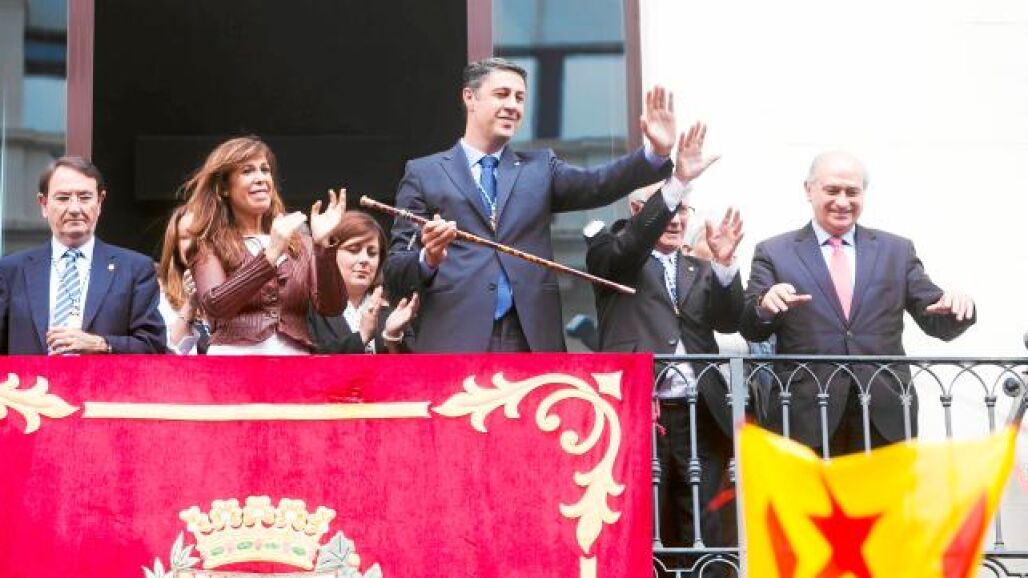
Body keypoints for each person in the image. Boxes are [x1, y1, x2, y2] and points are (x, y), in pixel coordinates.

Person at [385, 57, 676, 352]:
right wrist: (429, 258)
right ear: (469, 97)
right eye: (502, 94)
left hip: (530, 340)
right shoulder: (424, 173)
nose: (513, 105)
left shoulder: (540, 168)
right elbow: (395, 270)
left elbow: (598, 183)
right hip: (454, 340)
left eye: (520, 98)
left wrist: (655, 154)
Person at [739, 151, 976, 456]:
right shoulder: (774, 252)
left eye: (852, 192)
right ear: (809, 190)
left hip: (885, 413)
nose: (842, 202)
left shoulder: (896, 250)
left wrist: (959, 307)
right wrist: (766, 305)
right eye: (832, 190)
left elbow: (935, 317)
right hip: (805, 414)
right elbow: (750, 326)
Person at [585, 124, 744, 550]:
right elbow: (628, 248)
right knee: (645, 526)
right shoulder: (610, 252)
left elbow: (730, 321)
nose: (676, 219)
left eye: (683, 210)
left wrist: (725, 267)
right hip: (640, 408)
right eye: (668, 209)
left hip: (699, 413)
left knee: (704, 528)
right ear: (638, 211)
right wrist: (676, 185)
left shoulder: (699, 268)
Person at [182, 136, 345, 355]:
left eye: (265, 170)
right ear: (224, 188)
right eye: (247, 171)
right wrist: (270, 256)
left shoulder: (300, 242)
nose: (261, 178)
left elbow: (332, 307)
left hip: (294, 363)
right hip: (233, 362)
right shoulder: (208, 245)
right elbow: (215, 306)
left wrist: (323, 247)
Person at [0, 156, 165, 354]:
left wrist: (101, 344)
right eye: (63, 198)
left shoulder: (134, 269)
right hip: (30, 375)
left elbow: (153, 345)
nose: (74, 209)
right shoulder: (11, 271)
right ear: (43, 204)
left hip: (103, 375)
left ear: (100, 202)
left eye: (85, 197)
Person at [308, 211, 418, 354]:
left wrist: (393, 338)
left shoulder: (391, 312)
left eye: (372, 253)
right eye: (353, 250)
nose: (365, 260)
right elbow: (306, 361)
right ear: (331, 253)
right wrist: (361, 337)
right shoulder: (309, 308)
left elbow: (413, 366)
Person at [156, 206, 207, 354]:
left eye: (202, 235)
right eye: (185, 237)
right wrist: (191, 304)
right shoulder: (157, 295)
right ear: (175, 246)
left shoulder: (236, 287)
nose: (194, 244)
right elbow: (169, 353)